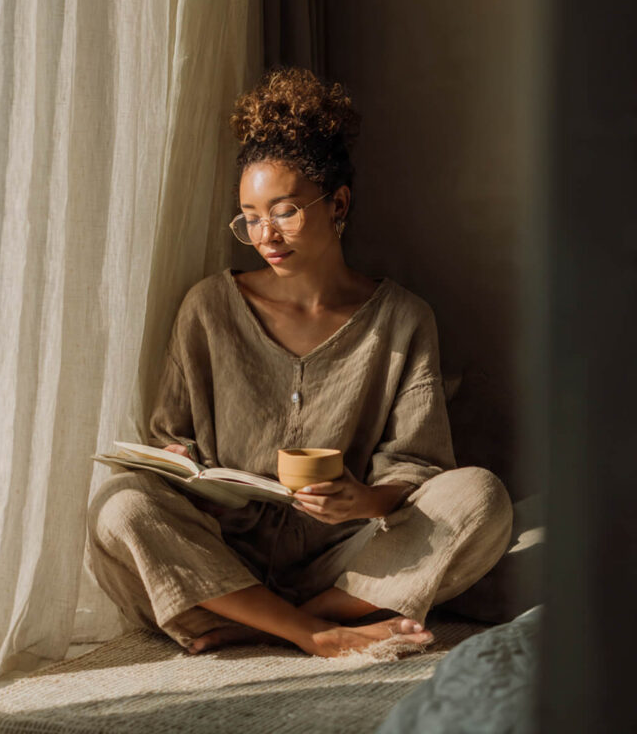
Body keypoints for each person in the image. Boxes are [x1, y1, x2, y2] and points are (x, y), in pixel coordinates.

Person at [87, 67, 513, 658]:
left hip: (343, 562)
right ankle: (317, 633)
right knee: (119, 504)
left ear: (337, 202)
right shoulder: (208, 307)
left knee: (480, 498)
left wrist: (361, 500)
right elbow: (170, 435)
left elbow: (419, 467)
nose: (265, 234)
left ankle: (272, 622)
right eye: (249, 217)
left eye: (284, 211)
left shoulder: (402, 319)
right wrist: (180, 459)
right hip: (221, 553)